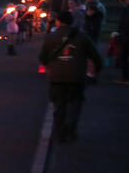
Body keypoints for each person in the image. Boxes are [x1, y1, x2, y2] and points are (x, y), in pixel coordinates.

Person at [39, 10, 103, 143]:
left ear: (58, 21)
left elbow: (43, 58)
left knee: (59, 105)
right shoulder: (82, 36)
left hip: (57, 76)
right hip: (76, 75)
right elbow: (95, 57)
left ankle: (59, 132)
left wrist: (51, 64)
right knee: (75, 103)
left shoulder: (51, 37)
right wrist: (96, 71)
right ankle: (70, 127)